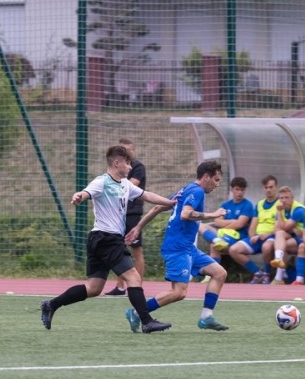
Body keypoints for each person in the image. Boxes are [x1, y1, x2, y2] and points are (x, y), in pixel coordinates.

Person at [40, 145, 177, 333]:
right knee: (133, 277)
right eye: (128, 163)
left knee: (94, 288)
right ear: (117, 163)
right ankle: (146, 321)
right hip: (107, 238)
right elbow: (86, 192)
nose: (130, 167)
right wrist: (79, 196)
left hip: (99, 238)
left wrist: (170, 202)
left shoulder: (125, 184)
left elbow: (146, 195)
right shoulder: (102, 181)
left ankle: (51, 305)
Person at [125, 160, 231, 332]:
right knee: (179, 292)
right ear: (206, 176)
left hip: (188, 248)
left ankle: (206, 317)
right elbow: (185, 214)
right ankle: (137, 313)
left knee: (219, 273)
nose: (217, 184)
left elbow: (158, 207)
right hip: (177, 248)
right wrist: (214, 214)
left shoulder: (186, 189)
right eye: (216, 180)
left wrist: (138, 228)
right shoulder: (197, 191)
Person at [106, 138, 147, 296]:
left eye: (129, 150)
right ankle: (120, 286)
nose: (126, 152)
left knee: (136, 250)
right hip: (118, 214)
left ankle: (136, 287)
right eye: (123, 150)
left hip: (132, 214)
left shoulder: (137, 167)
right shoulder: (114, 173)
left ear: (133, 151)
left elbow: (130, 187)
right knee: (118, 249)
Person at [228, 175, 278, 283]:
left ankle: (267, 274)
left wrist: (267, 234)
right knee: (234, 250)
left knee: (266, 247)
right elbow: (253, 225)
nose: (268, 190)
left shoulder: (280, 204)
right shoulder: (259, 204)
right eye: (266, 187)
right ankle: (257, 272)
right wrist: (252, 236)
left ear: (276, 187)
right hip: (258, 238)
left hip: (272, 237)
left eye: (271, 187)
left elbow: (280, 227)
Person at [199, 176, 255, 259]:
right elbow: (217, 221)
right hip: (223, 233)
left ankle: (215, 267)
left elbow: (239, 224)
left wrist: (224, 225)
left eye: (242, 190)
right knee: (200, 225)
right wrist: (233, 221)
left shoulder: (247, 205)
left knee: (214, 245)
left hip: (238, 237)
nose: (240, 192)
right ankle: (217, 239)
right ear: (231, 189)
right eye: (237, 189)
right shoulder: (226, 205)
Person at [269, 186, 305, 285]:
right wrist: (292, 228)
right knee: (280, 238)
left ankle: (279, 276)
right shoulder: (281, 209)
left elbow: (284, 227)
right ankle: (279, 262)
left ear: (292, 198)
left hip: (304, 239)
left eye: (286, 197)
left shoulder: (299, 210)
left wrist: (279, 213)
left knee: (281, 244)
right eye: (281, 198)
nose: (284, 200)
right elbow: (276, 229)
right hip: (293, 237)